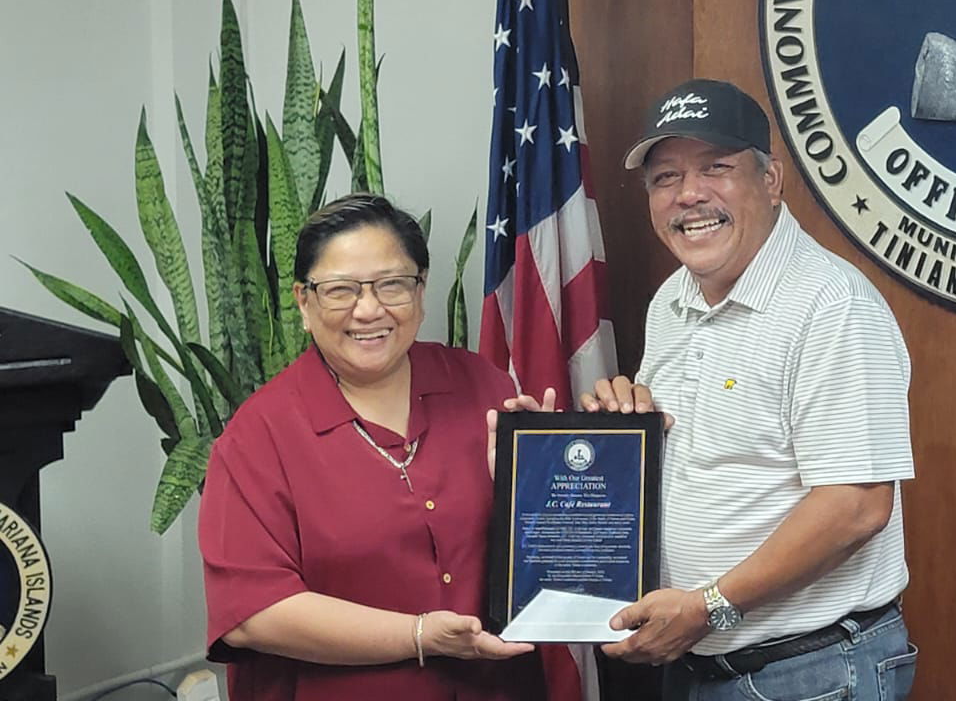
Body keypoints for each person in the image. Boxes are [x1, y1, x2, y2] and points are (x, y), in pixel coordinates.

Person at [583, 78, 917, 700]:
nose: (689, 195)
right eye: (665, 178)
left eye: (716, 167)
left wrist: (709, 607)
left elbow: (857, 506)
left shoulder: (831, 305)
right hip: (698, 666)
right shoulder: (672, 299)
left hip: (810, 674)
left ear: (771, 180)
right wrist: (621, 431)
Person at [199, 192, 552, 701]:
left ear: (421, 290)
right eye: (341, 290)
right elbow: (253, 616)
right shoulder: (258, 438)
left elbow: (551, 550)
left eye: (392, 285)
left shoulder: (485, 387)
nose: (369, 310)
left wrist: (543, 487)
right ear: (303, 301)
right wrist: (420, 635)